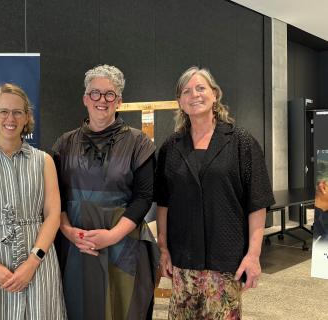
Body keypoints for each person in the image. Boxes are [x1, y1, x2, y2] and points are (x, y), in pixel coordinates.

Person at [155, 66, 275, 319]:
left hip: (225, 260)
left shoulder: (241, 142)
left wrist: (253, 255)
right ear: (180, 101)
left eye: (201, 88)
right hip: (183, 260)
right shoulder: (171, 147)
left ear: (215, 94)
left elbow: (257, 202)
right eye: (186, 91)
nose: (194, 95)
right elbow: (164, 203)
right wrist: (163, 248)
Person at [53, 64, 158, 320]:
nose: (102, 100)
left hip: (122, 243)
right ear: (85, 99)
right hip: (75, 244)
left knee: (123, 309)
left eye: (109, 94)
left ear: (119, 101)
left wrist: (111, 236)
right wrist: (68, 232)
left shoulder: (139, 143)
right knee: (77, 307)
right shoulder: (64, 144)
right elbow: (53, 198)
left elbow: (144, 197)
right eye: (95, 93)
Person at [0, 83, 66, 319]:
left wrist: (32, 263)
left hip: (37, 265)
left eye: (18, 112)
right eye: (3, 111)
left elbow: (53, 215)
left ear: (27, 118)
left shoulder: (43, 161)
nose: (11, 118)